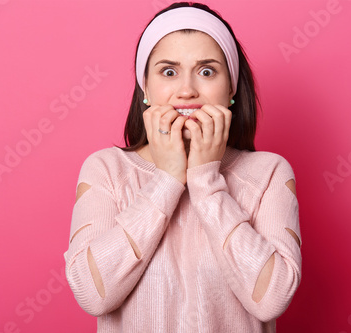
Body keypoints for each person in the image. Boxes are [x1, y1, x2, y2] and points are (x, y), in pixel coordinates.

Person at [63, 2, 301, 332]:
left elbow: (271, 298)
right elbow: (93, 294)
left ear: (231, 87)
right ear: (145, 86)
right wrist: (166, 179)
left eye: (207, 71)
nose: (187, 90)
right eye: (169, 71)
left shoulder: (270, 173)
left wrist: (205, 180)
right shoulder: (105, 169)